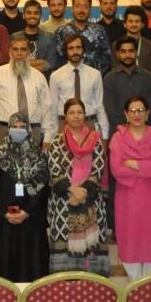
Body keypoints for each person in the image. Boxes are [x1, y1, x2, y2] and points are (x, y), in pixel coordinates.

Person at [109, 96, 151, 281]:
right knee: (130, 245)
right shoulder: (118, 137)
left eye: (141, 110)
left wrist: (133, 163)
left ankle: (149, 289)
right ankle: (134, 289)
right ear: (126, 114)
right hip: (128, 199)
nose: (137, 114)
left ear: (148, 113)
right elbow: (116, 169)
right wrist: (146, 167)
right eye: (133, 111)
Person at [47, 98, 109, 275]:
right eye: (72, 112)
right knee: (64, 244)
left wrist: (83, 192)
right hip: (64, 201)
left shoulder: (95, 139)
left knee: (91, 248)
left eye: (80, 112)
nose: (76, 116)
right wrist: (72, 190)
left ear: (85, 115)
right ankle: (65, 284)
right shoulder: (57, 141)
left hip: (91, 200)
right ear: (65, 116)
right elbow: (54, 168)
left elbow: (99, 166)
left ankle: (92, 282)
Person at [0, 113, 50, 282]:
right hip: (4, 223)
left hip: (31, 222)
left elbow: (43, 188)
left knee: (31, 268)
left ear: (29, 129)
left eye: (22, 127)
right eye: (14, 127)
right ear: (8, 129)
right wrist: (3, 212)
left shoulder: (38, 155)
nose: (18, 130)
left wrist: (27, 211)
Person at [0, 35, 54, 150]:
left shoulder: (39, 77)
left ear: (28, 53)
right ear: (10, 53)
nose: (19, 53)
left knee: (32, 162)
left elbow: (46, 108)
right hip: (2, 131)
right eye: (15, 49)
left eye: (23, 49)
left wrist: (47, 137)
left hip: (32, 132)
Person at [49, 33, 110, 139]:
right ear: (66, 51)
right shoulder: (56, 76)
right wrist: (53, 135)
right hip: (64, 125)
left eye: (78, 47)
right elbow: (53, 109)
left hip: (89, 123)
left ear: (83, 49)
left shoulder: (95, 74)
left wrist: (105, 136)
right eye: (71, 48)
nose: (75, 52)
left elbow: (100, 106)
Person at [54, 0, 112, 76]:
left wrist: (93, 75)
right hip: (68, 79)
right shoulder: (61, 32)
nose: (81, 10)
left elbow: (106, 57)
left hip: (93, 78)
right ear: (72, 9)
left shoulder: (99, 31)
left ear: (90, 10)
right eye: (78, 6)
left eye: (85, 7)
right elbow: (57, 60)